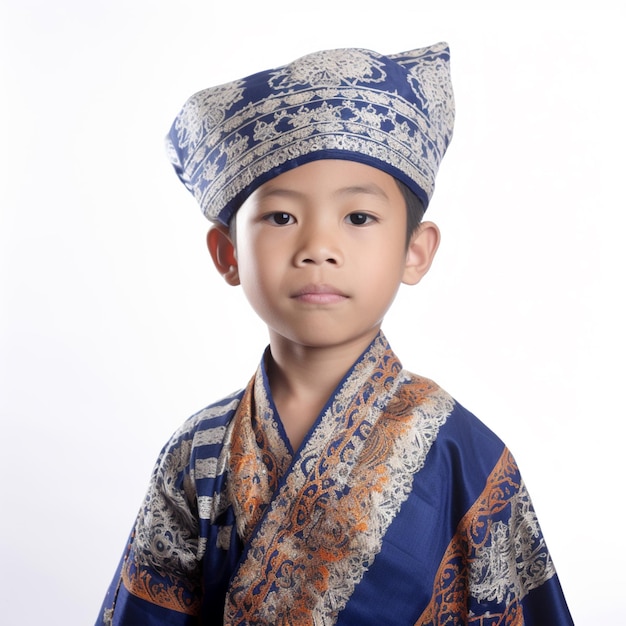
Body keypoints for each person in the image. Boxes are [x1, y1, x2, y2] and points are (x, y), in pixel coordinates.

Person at [96, 43, 574, 625]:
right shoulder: (197, 455)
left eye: (358, 218)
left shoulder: (464, 455)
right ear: (227, 255)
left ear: (415, 252)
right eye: (280, 218)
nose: (318, 248)